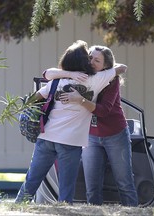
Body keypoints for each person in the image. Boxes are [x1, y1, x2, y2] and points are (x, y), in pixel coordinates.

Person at [15, 40, 126, 204]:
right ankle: (63, 210)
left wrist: (67, 74)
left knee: (32, 180)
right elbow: (121, 69)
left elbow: (33, 98)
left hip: (46, 137)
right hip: (70, 142)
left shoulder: (56, 81)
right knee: (66, 188)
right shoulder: (96, 79)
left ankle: (17, 207)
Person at [44, 45, 138, 206]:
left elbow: (103, 111)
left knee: (124, 182)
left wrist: (79, 99)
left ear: (106, 66)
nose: (92, 62)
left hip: (115, 134)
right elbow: (47, 74)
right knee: (92, 187)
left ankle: (132, 211)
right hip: (91, 136)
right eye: (90, 58)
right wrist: (70, 73)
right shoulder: (80, 75)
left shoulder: (111, 80)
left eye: (97, 60)